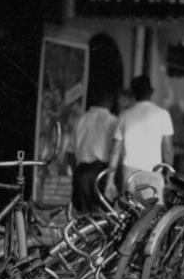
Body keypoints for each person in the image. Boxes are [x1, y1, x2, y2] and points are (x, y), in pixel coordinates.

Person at [106, 75, 174, 204]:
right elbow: (168, 151)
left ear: (133, 94)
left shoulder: (124, 115)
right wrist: (169, 178)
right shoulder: (163, 115)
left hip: (129, 174)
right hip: (152, 174)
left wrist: (110, 181)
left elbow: (115, 150)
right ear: (151, 92)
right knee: (153, 219)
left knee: (130, 218)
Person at [67, 91, 116, 213]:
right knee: (104, 217)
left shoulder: (80, 119)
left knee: (83, 217)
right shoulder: (113, 121)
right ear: (109, 101)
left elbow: (70, 152)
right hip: (103, 174)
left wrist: (76, 171)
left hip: (82, 172)